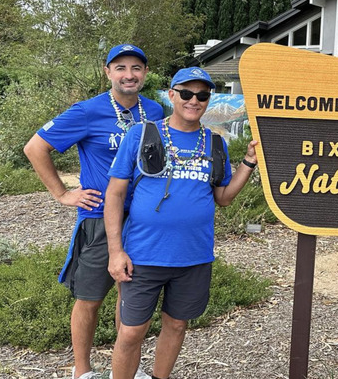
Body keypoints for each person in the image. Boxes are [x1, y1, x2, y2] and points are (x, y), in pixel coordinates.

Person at [105, 67, 259, 379]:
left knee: (176, 325)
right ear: (172, 95)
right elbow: (115, 194)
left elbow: (224, 197)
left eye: (202, 95)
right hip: (143, 255)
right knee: (132, 333)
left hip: (193, 256)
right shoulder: (141, 134)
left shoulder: (216, 144)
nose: (194, 100)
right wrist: (115, 251)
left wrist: (249, 162)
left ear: (208, 100)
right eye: (186, 93)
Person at [24, 44, 163, 379]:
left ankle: (125, 367)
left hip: (144, 219)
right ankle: (82, 370)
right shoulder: (87, 111)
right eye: (120, 68)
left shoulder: (156, 111)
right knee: (90, 297)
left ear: (144, 73)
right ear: (108, 72)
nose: (129, 75)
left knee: (130, 295)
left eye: (136, 68)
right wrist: (62, 193)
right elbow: (35, 147)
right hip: (100, 218)